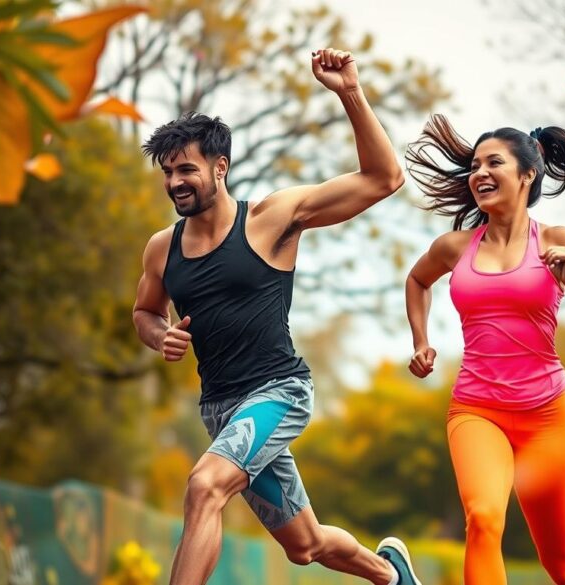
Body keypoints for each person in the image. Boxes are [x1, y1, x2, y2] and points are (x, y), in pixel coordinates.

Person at [132, 48, 420, 585]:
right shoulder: (161, 249)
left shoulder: (271, 220)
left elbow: (384, 178)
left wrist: (349, 92)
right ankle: (390, 575)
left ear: (220, 167)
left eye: (187, 169)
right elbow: (145, 311)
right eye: (168, 172)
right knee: (305, 546)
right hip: (221, 410)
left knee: (204, 486)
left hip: (278, 392)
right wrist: (160, 335)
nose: (175, 182)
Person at [403, 114, 565, 585]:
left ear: (527, 174)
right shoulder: (455, 247)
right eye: (474, 165)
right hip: (477, 410)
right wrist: (421, 341)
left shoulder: (558, 242)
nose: (479, 173)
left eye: (494, 162)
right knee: (484, 519)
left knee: (562, 567)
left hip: (547, 417)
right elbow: (417, 281)